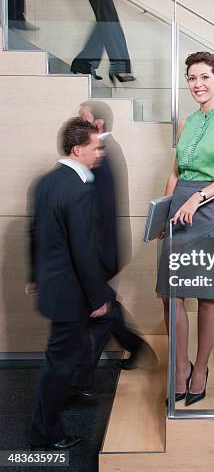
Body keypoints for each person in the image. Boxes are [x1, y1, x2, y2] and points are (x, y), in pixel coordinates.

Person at [156, 51, 214, 406]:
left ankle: (201, 370)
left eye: (205, 77)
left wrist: (199, 198)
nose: (198, 84)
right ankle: (180, 369)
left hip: (210, 212)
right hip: (179, 210)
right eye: (192, 78)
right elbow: (175, 172)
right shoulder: (187, 122)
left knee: (207, 296)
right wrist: (165, 211)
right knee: (171, 294)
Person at [29, 118, 110, 450]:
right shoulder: (78, 191)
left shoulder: (46, 182)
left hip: (52, 285)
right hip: (69, 293)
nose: (101, 153)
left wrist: (34, 275)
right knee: (58, 365)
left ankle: (75, 389)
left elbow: (34, 233)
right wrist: (97, 298)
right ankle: (46, 434)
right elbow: (84, 252)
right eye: (96, 147)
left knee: (61, 358)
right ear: (78, 149)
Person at [79, 101, 155, 371]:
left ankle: (83, 374)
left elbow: (100, 207)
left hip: (102, 247)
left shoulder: (101, 153)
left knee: (97, 305)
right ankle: (134, 347)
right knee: (101, 302)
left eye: (83, 119)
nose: (78, 123)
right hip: (106, 245)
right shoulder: (106, 148)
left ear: (98, 124)